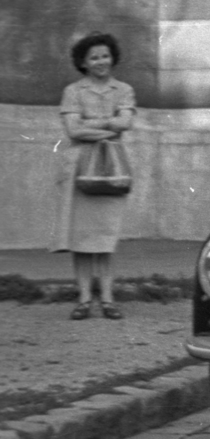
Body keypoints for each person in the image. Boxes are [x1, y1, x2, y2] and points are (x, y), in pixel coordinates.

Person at [53, 32, 136, 320]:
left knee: (105, 236)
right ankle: (85, 299)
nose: (101, 61)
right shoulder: (73, 91)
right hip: (79, 166)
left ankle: (109, 299)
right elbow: (73, 131)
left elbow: (126, 122)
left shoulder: (123, 89)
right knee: (82, 238)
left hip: (111, 164)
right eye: (94, 57)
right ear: (83, 63)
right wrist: (109, 126)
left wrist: (91, 124)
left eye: (105, 55)